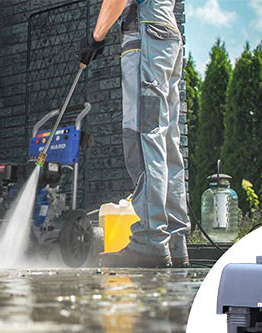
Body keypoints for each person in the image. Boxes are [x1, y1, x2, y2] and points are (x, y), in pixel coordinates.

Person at [78, 0, 190, 268]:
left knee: (143, 136)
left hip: (146, 35)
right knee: (166, 141)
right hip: (168, 36)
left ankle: (150, 241)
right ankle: (174, 241)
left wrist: (96, 37)